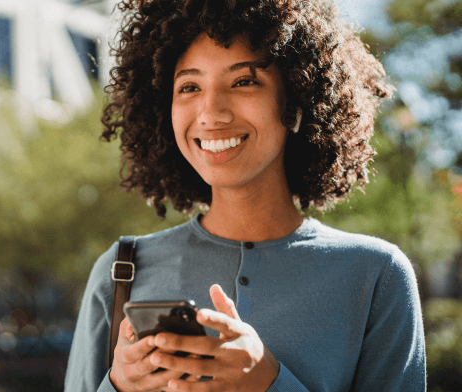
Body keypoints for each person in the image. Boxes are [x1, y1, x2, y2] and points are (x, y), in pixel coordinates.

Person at [64, 0, 426, 391]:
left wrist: (269, 383)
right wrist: (118, 384)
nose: (211, 112)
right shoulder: (120, 272)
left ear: (296, 98)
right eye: (189, 87)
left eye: (243, 81)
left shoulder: (376, 275)